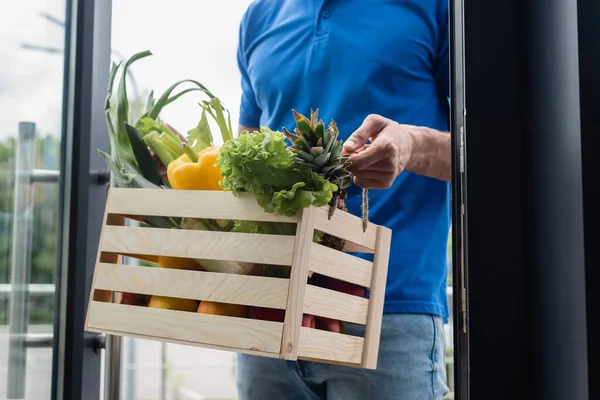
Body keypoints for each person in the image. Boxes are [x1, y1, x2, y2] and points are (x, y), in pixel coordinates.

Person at [234, 1, 452, 399]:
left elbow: (490, 152)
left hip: (390, 312)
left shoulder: (436, 7)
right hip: (269, 308)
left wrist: (411, 145)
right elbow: (243, 160)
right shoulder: (259, 16)